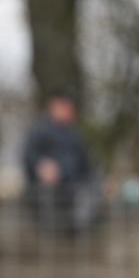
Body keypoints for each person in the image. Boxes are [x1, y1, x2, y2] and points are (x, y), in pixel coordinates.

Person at [22, 90, 103, 235]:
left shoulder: (75, 135)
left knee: (94, 186)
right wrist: (41, 165)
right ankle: (51, 230)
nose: (68, 111)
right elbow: (29, 155)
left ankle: (76, 227)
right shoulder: (39, 131)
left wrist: (99, 179)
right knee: (46, 190)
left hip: (74, 186)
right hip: (49, 187)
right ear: (54, 106)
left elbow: (87, 164)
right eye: (64, 106)